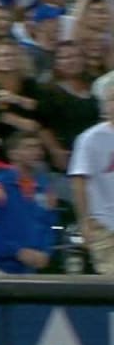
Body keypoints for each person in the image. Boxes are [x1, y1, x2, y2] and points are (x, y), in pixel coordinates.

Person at [0, 132, 55, 274]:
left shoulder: (44, 189)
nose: (37, 152)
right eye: (29, 147)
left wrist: (45, 251)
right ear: (13, 154)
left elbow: (48, 224)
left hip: (27, 271)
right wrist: (16, 251)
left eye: (38, 147)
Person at [68, 83, 114, 275]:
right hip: (105, 226)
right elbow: (79, 183)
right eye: (111, 100)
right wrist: (84, 222)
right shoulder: (90, 138)